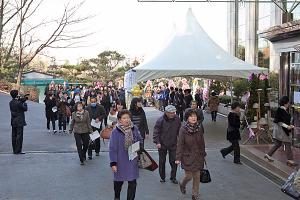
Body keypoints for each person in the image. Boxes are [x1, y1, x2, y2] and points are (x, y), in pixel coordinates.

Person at [109, 110, 143, 200]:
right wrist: (113, 163)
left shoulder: (134, 128)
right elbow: (112, 148)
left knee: (132, 182)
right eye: (124, 118)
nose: (127, 120)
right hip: (120, 160)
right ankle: (117, 197)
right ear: (119, 120)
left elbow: (140, 139)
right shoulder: (115, 132)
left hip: (132, 159)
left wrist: (138, 144)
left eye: (128, 118)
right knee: (118, 182)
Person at [175, 109, 206, 200]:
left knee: (197, 176)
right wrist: (178, 158)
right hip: (187, 156)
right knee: (189, 176)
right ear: (187, 118)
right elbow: (180, 144)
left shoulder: (199, 128)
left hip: (198, 156)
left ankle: (195, 195)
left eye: (195, 116)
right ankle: (182, 183)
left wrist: (203, 153)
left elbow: (202, 142)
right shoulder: (183, 129)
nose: (193, 118)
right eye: (191, 116)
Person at [264, 96, 297, 166]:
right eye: (288, 102)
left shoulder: (281, 110)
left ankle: (268, 155)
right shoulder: (281, 110)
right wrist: (287, 126)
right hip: (282, 131)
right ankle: (290, 160)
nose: (289, 104)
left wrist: (289, 125)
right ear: (286, 103)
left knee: (278, 144)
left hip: (279, 131)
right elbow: (280, 122)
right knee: (288, 143)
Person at [153, 105, 181, 184]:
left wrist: (181, 142)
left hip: (173, 143)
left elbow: (180, 131)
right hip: (162, 144)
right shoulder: (160, 120)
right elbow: (156, 132)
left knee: (173, 161)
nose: (172, 114)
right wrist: (157, 142)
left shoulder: (177, 119)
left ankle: (173, 177)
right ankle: (162, 177)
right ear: (166, 113)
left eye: (173, 113)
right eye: (170, 113)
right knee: (162, 161)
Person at [9, 90, 28, 154]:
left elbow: (17, 105)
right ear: (17, 95)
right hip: (19, 121)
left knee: (14, 135)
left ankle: (14, 150)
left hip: (13, 120)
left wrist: (20, 100)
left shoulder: (11, 102)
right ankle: (18, 150)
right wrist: (24, 103)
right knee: (19, 136)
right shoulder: (19, 103)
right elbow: (25, 109)